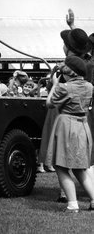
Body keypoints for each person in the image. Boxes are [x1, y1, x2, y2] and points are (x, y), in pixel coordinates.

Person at [38, 21, 91, 201]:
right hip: (83, 114)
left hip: (62, 112)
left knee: (61, 155)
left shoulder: (63, 68)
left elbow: (50, 96)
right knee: (80, 157)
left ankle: (67, 195)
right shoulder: (87, 64)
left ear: (67, 47)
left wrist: (53, 82)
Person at [45, 56, 94, 212]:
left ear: (67, 72)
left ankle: (72, 204)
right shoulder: (89, 86)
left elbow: (49, 103)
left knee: (61, 166)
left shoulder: (64, 87)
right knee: (80, 168)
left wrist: (54, 84)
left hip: (67, 126)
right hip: (83, 126)